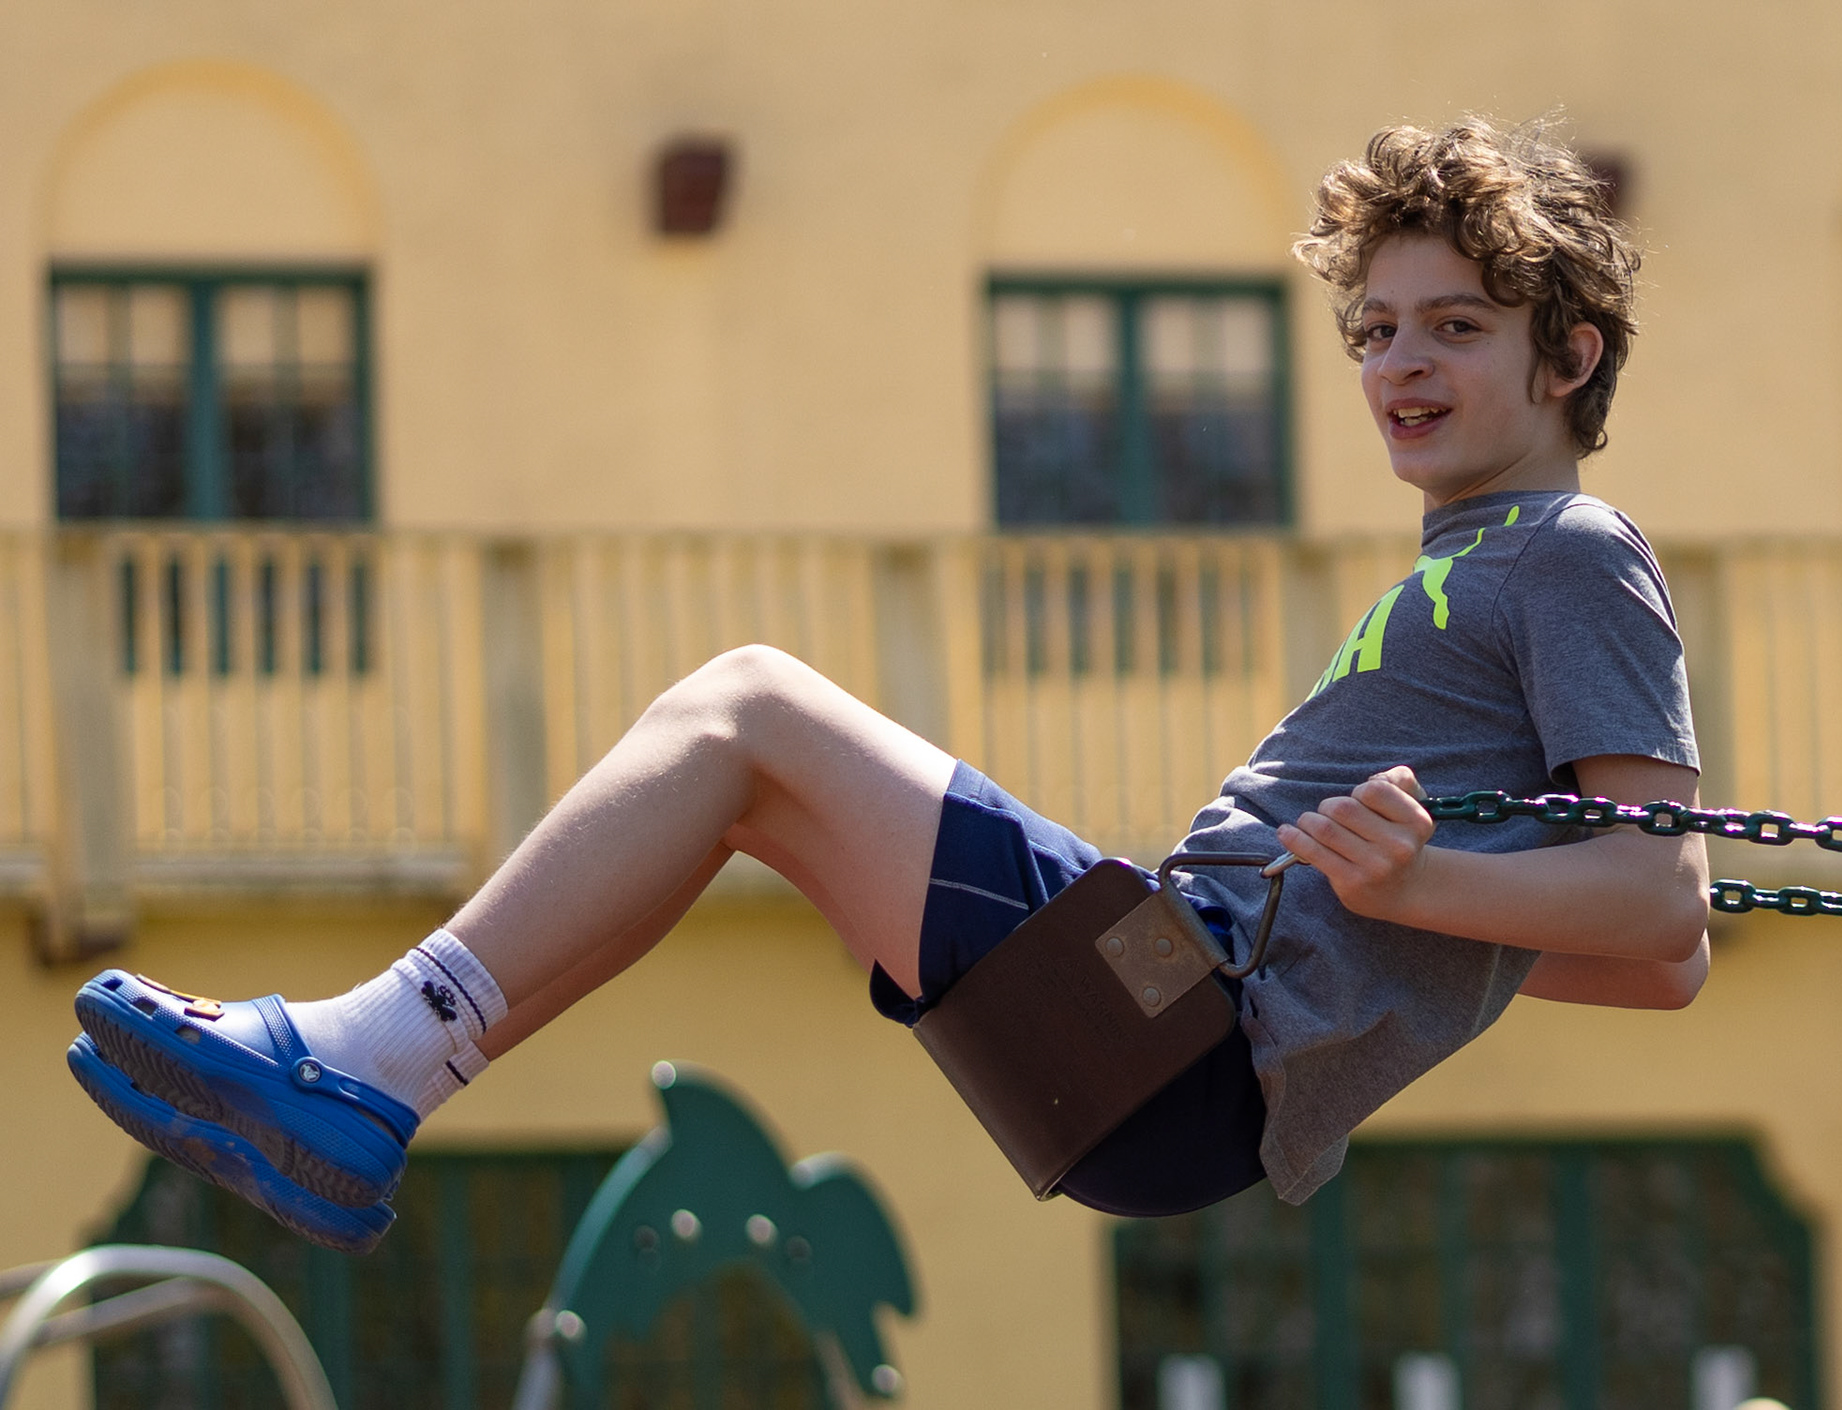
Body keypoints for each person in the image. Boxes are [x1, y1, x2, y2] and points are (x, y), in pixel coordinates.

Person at [66, 117, 1710, 1254]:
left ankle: (370, 1062)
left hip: (1190, 1029)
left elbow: (1662, 907)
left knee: (748, 712)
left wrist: (1414, 890)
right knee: (755, 784)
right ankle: (372, 1076)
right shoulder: (1466, 563)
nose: (1400, 364)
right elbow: (1651, 971)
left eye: (1456, 328)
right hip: (1169, 1035)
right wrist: (1418, 920)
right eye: (1373, 331)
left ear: (1566, 355)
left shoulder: (1567, 549)